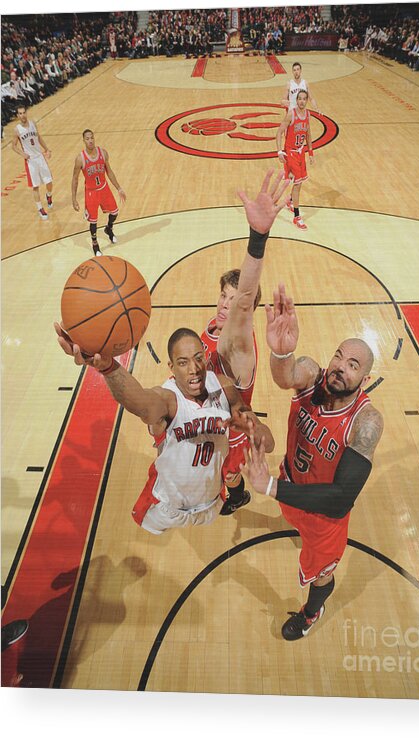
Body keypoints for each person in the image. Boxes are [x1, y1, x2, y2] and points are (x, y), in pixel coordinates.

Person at [241, 284, 384, 640]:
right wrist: (279, 352)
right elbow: (285, 375)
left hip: (322, 516)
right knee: (293, 521)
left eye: (353, 366)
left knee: (321, 572)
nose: (340, 368)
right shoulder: (313, 374)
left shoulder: (366, 422)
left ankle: (310, 612)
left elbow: (339, 500)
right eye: (339, 357)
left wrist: (273, 489)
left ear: (364, 380)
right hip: (292, 489)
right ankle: (294, 523)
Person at [54, 324, 274, 534]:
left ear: (205, 357)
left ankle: (234, 496)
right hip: (167, 506)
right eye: (183, 362)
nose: (194, 369)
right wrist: (108, 368)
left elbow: (270, 443)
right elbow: (139, 402)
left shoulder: (224, 387)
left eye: (198, 358)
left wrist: (252, 429)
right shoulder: (168, 399)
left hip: (211, 502)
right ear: (171, 367)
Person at [171, 170, 289, 515]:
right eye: (223, 296)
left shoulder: (237, 342)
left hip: (230, 424)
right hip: (208, 416)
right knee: (220, 470)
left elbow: (245, 297)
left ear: (247, 308)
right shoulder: (213, 325)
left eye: (234, 300)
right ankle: (234, 492)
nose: (226, 303)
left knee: (228, 471)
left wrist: (258, 238)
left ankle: (237, 496)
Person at [71, 129, 126, 256]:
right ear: (83, 141)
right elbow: (74, 179)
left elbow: (109, 172)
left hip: (104, 188)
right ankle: (95, 244)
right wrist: (74, 199)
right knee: (93, 221)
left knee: (115, 212)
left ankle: (109, 229)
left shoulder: (103, 153)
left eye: (92, 138)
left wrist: (119, 188)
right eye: (87, 139)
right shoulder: (80, 159)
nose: (90, 141)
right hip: (91, 193)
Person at [276, 90, 314, 231]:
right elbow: (279, 132)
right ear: (296, 100)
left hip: (301, 152)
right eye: (300, 99)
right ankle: (297, 217)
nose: (302, 101)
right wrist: (280, 151)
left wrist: (310, 152)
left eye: (305, 99)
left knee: (300, 182)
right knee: (297, 184)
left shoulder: (308, 114)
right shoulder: (291, 114)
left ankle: (291, 201)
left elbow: (308, 134)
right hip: (290, 152)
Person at [11, 104, 53, 220]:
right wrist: (22, 153)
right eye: (20, 113)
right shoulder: (17, 130)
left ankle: (48, 195)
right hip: (30, 161)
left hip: (40, 156)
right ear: (17, 115)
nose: (22, 115)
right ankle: (40, 208)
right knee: (35, 186)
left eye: (24, 112)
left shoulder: (33, 123)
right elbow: (13, 146)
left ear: (26, 113)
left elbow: (38, 137)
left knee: (49, 182)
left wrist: (47, 149)